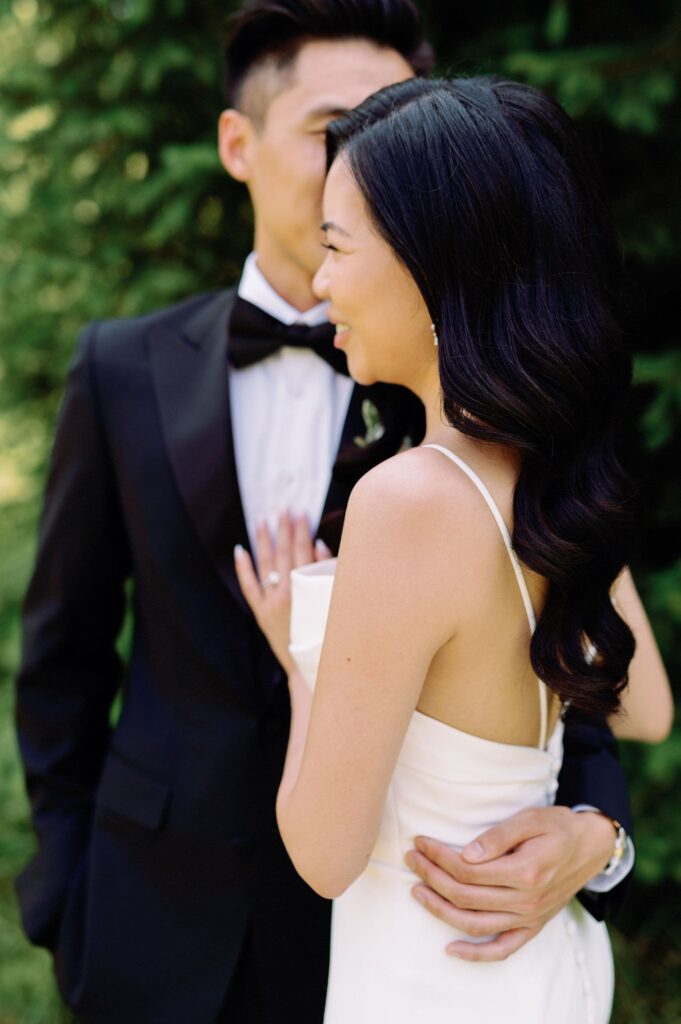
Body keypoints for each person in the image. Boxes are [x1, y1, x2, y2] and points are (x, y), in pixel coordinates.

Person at [13, 2, 655, 1021]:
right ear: (239, 142)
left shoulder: (467, 425)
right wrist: (65, 898)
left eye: (391, 120)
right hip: (159, 932)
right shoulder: (121, 368)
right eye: (333, 127)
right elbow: (62, 657)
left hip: (410, 931)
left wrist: (597, 836)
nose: (365, 149)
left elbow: (578, 673)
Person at [234, 76, 673, 1022]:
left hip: (432, 975)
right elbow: (647, 708)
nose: (319, 283)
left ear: (433, 266)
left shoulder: (410, 499)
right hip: (546, 966)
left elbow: (322, 853)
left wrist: (301, 659)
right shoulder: (551, 465)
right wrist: (591, 834)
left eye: (338, 247)